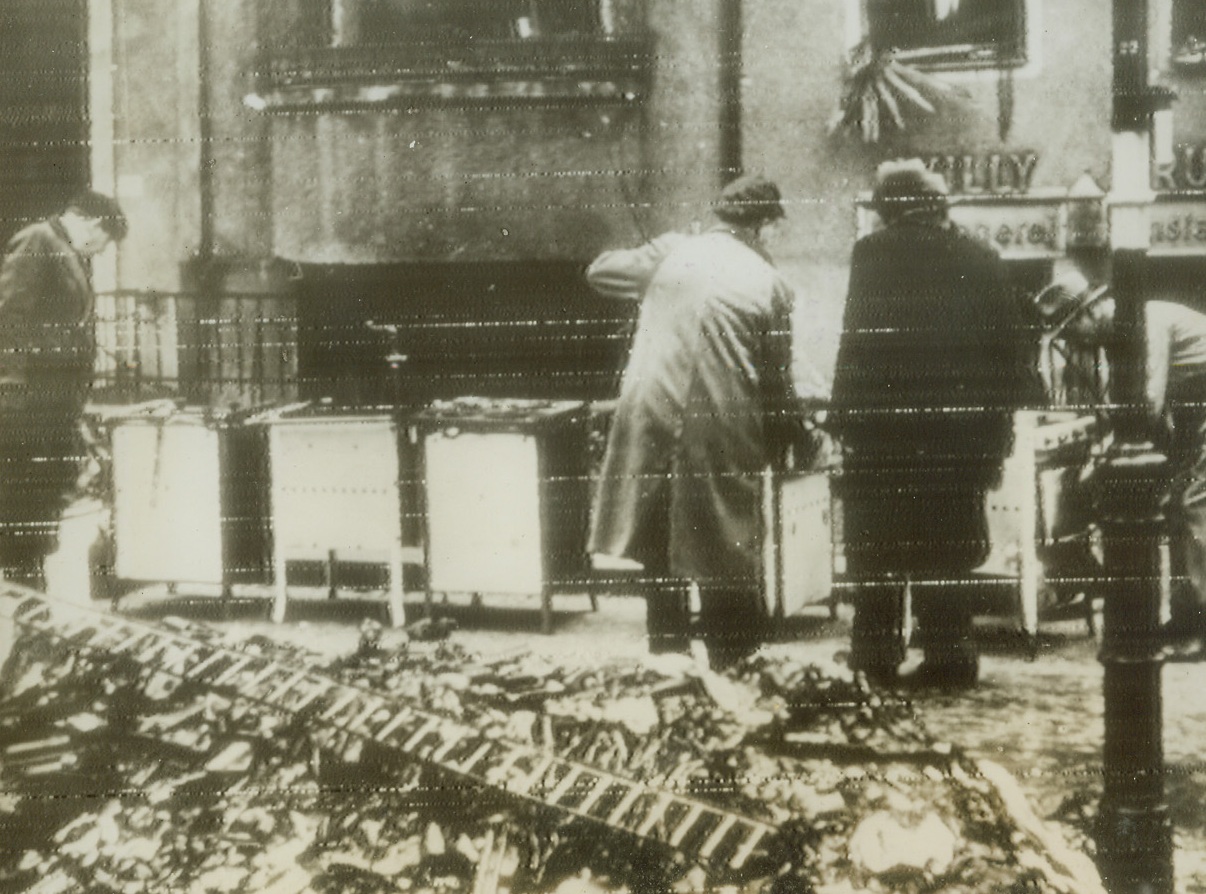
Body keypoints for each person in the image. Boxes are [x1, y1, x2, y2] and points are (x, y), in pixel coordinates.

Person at [829, 159, 1042, 688]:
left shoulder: (872, 254)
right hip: (959, 437)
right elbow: (1013, 353)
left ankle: (875, 655)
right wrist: (996, 435)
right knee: (945, 548)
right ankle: (952, 657)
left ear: (890, 209)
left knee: (876, 546)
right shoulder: (982, 256)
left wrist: (843, 421)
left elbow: (858, 343)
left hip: (886, 435)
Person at [585, 174, 806, 670]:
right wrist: (796, 439)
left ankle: (669, 658)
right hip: (720, 425)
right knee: (724, 547)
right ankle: (733, 664)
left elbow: (599, 273)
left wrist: (660, 249)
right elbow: (777, 385)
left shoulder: (673, 252)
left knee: (659, 544)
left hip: (650, 417)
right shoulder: (770, 283)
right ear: (764, 226)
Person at [1035, 277, 1206, 660]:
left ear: (1092, 311)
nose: (1076, 343)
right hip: (1194, 412)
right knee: (1179, 507)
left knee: (1195, 506)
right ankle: (1187, 617)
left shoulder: (1146, 323)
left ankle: (1201, 625)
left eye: (1073, 329)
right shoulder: (1121, 333)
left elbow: (1147, 402)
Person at [0, 191, 128, 589]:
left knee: (46, 488)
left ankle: (29, 575)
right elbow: (10, 313)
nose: (102, 251)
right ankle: (21, 576)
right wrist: (11, 383)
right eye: (104, 241)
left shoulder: (65, 250)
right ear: (92, 223)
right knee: (26, 488)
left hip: (53, 401)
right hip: (29, 399)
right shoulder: (39, 240)